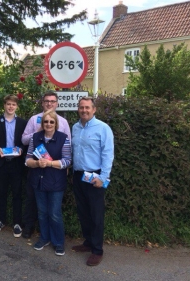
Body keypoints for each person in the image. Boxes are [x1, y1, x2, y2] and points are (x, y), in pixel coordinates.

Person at [21, 90, 71, 239]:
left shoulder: (63, 122)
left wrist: (64, 166)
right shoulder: (33, 119)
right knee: (34, 202)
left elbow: (68, 146)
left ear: (57, 103)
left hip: (55, 171)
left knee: (54, 211)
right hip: (37, 169)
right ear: (42, 103)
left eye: (52, 101)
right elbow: (24, 141)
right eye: (46, 101)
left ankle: (57, 240)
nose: (49, 103)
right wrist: (38, 132)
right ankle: (31, 229)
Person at [71, 96, 114, 266]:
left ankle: (97, 250)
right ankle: (88, 242)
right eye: (81, 107)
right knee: (83, 212)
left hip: (95, 176)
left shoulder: (103, 128)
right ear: (78, 109)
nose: (84, 110)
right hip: (78, 175)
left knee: (96, 214)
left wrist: (103, 178)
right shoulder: (75, 127)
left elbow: (108, 154)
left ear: (94, 109)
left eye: (87, 107)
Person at [0, 94, 27, 237]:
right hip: (1, 162)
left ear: (17, 106)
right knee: (2, 193)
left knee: (17, 193)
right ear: (4, 105)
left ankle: (17, 223)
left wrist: (21, 149)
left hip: (16, 163)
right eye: (8, 104)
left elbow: (26, 142)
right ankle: (1, 220)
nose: (11, 107)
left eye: (13, 104)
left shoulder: (22, 122)